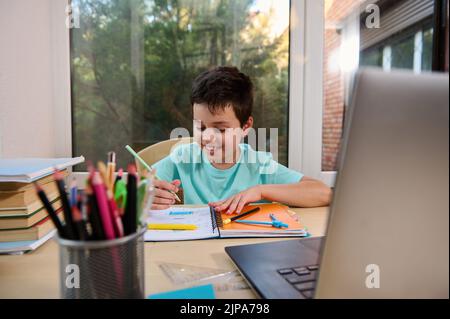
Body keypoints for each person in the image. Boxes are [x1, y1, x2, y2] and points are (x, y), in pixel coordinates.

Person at [151, 66, 332, 214]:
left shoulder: (259, 165)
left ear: (245, 127)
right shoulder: (183, 158)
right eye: (201, 127)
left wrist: (260, 191)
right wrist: (145, 195)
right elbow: (136, 186)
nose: (207, 137)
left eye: (221, 129)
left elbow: (323, 193)